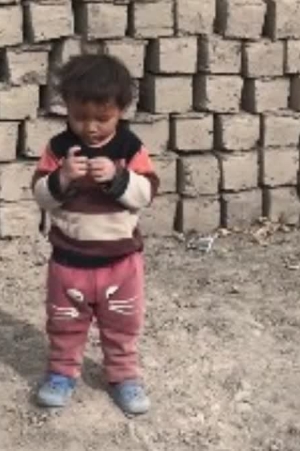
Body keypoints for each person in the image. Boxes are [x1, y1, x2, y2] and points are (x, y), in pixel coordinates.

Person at [31, 53, 159, 414]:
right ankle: (61, 372)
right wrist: (63, 178)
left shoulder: (129, 148)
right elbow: (41, 195)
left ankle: (124, 376)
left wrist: (119, 179)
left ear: (121, 109)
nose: (90, 127)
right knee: (65, 322)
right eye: (79, 117)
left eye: (102, 118)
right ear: (66, 109)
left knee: (122, 323)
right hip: (69, 261)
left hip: (121, 263)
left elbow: (146, 194)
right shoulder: (59, 150)